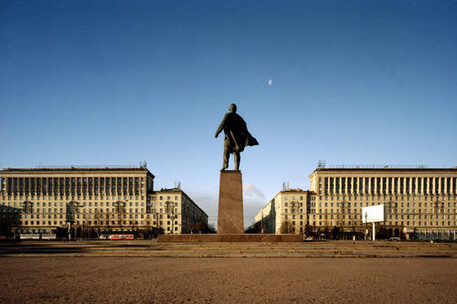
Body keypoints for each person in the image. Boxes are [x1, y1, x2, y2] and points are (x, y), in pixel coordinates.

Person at [215, 104, 258, 170]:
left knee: (226, 150)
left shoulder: (228, 115)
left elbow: (222, 124)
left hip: (229, 138)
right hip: (237, 139)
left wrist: (217, 132)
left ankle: (225, 165)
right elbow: (245, 127)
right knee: (236, 153)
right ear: (236, 109)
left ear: (229, 109)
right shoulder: (239, 118)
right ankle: (236, 168)